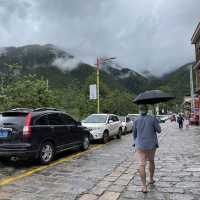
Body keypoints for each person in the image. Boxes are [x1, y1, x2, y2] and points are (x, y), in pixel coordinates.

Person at [133, 104, 161, 193]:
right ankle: (151, 179)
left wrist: (135, 142)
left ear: (139, 110)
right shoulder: (152, 118)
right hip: (151, 145)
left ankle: (144, 186)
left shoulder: (136, 120)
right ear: (147, 109)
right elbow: (159, 130)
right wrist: (156, 121)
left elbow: (134, 133)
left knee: (142, 164)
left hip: (140, 145)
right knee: (151, 161)